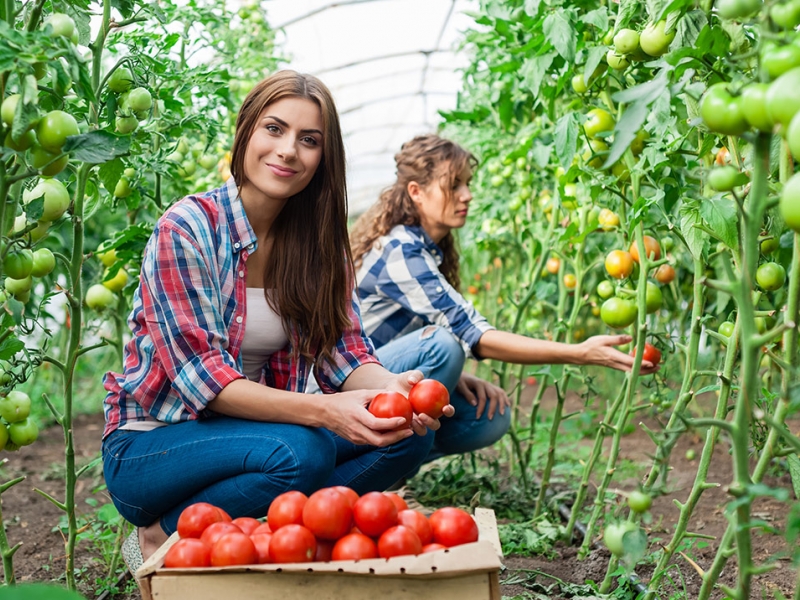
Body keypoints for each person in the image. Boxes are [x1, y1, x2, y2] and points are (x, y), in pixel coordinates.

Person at [101, 72, 451, 570]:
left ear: (323, 159)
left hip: (246, 434)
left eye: (309, 141)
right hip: (151, 445)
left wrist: (395, 390)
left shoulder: (317, 249)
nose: (289, 150)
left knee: (404, 435)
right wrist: (327, 412)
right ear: (246, 132)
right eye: (274, 129)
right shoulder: (188, 229)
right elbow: (208, 382)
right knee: (301, 452)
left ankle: (274, 532)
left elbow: (345, 353)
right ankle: (164, 531)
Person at [350, 134, 658, 464]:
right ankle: (372, 460)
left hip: (381, 374)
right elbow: (474, 336)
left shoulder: (426, 249)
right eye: (453, 185)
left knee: (488, 417)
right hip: (348, 389)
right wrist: (582, 353)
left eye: (467, 184)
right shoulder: (402, 252)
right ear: (416, 192)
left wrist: (458, 377)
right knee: (441, 347)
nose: (466, 195)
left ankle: (380, 467)